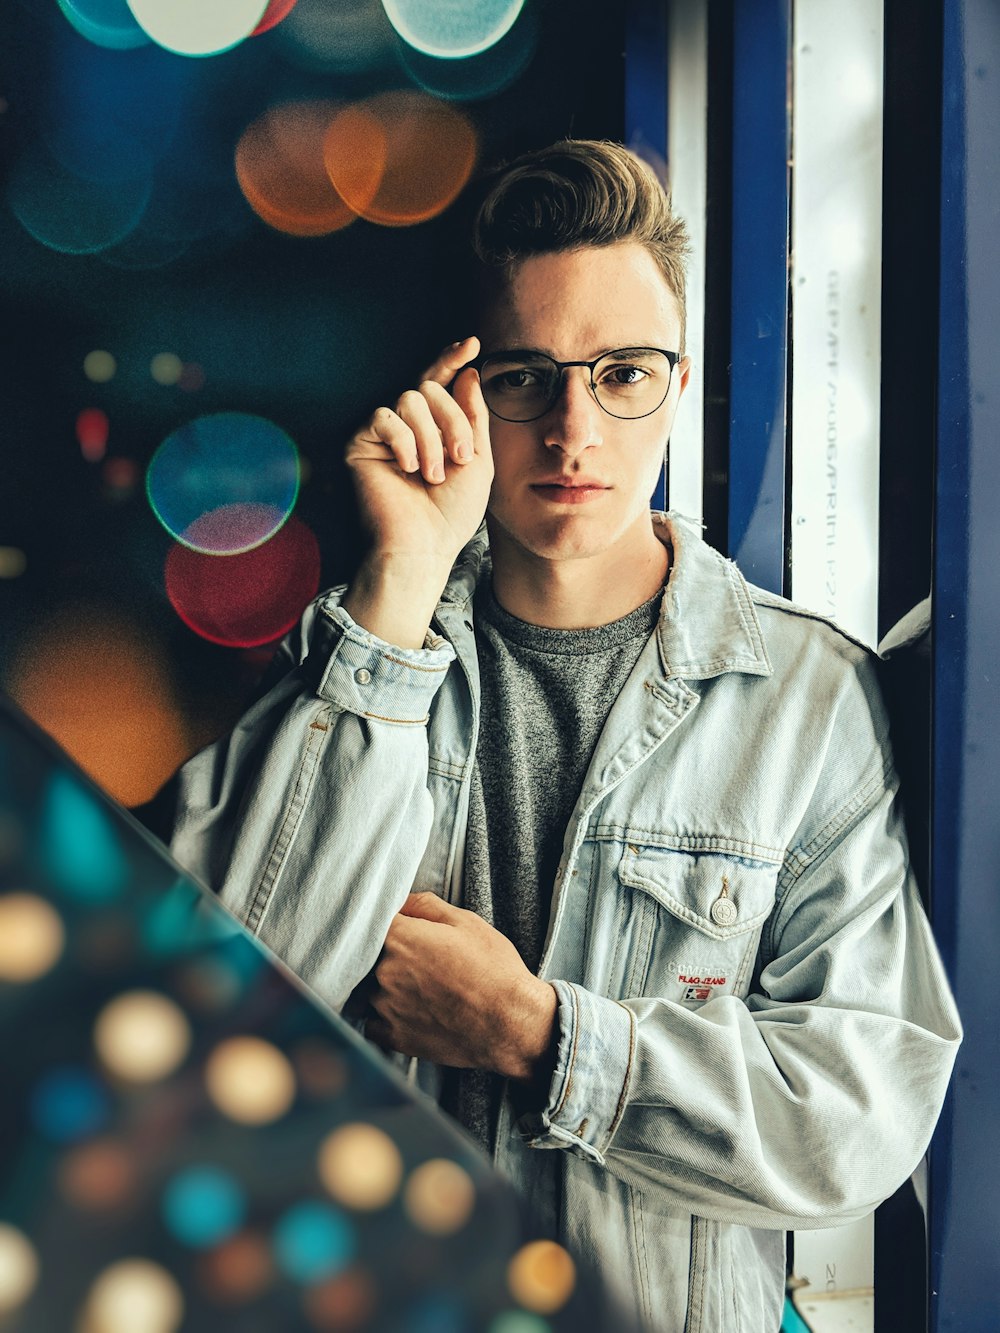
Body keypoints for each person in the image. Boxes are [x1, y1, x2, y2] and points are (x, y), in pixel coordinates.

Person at [171, 141, 961, 1333]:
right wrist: (400, 585)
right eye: (526, 376)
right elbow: (189, 1012)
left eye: (623, 373)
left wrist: (540, 1037)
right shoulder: (364, 661)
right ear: (460, 395)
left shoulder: (806, 697)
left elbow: (858, 1119)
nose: (574, 429)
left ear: (678, 385)